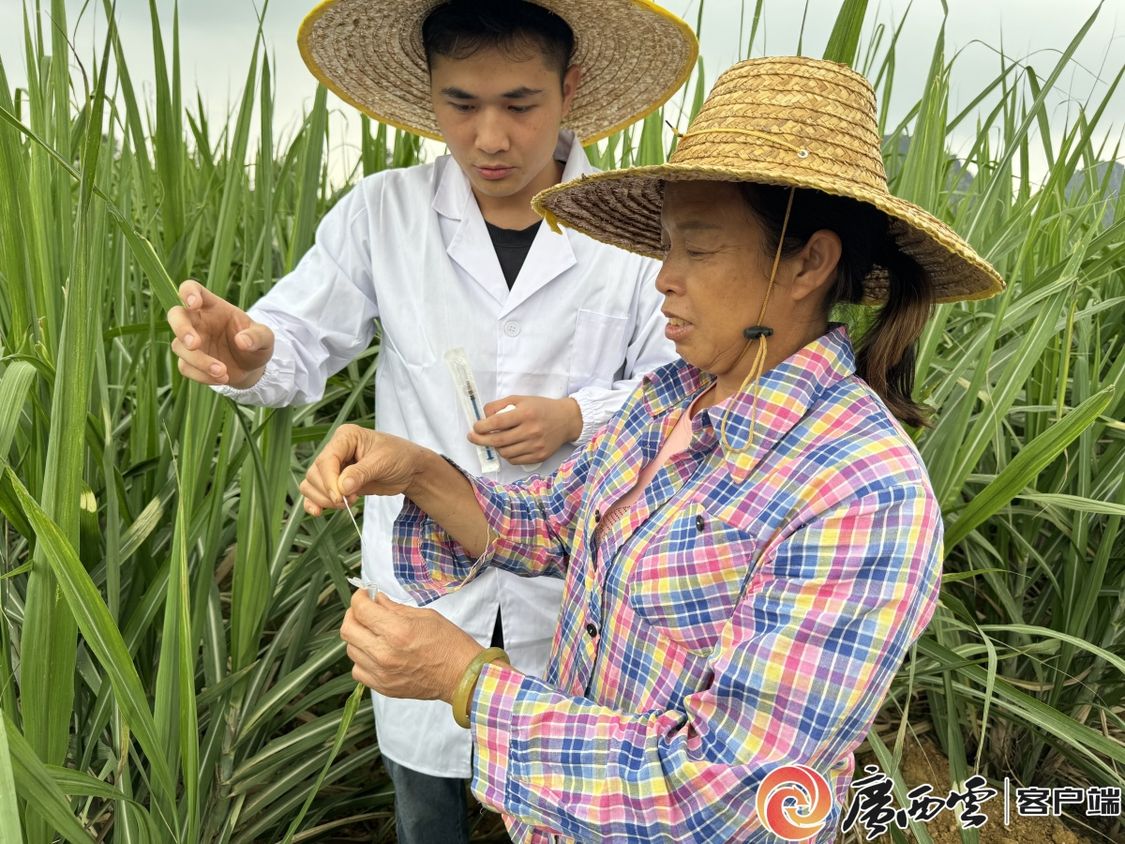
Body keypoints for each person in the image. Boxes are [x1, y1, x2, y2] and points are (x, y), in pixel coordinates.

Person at [300, 56, 1004, 842]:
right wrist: (419, 472)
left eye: (697, 250)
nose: (663, 278)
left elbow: (728, 790)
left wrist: (465, 680)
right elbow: (549, 524)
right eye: (665, 247)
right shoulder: (667, 401)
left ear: (808, 262)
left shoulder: (859, 493)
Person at [165, 1, 697, 841]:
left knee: (578, 794)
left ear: (570, 90)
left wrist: (576, 415)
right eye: (461, 104)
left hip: (573, 585)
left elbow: (685, 388)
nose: (490, 138)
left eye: (519, 104)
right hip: (427, 582)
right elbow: (294, 340)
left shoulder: (628, 233)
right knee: (426, 802)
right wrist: (248, 355)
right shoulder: (384, 213)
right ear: (429, 93)